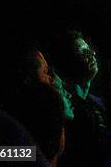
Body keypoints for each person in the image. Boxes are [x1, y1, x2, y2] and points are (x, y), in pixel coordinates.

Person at [46, 30, 107, 167]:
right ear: (68, 61)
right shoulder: (64, 108)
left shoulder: (96, 104)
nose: (92, 54)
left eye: (89, 49)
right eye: (83, 51)